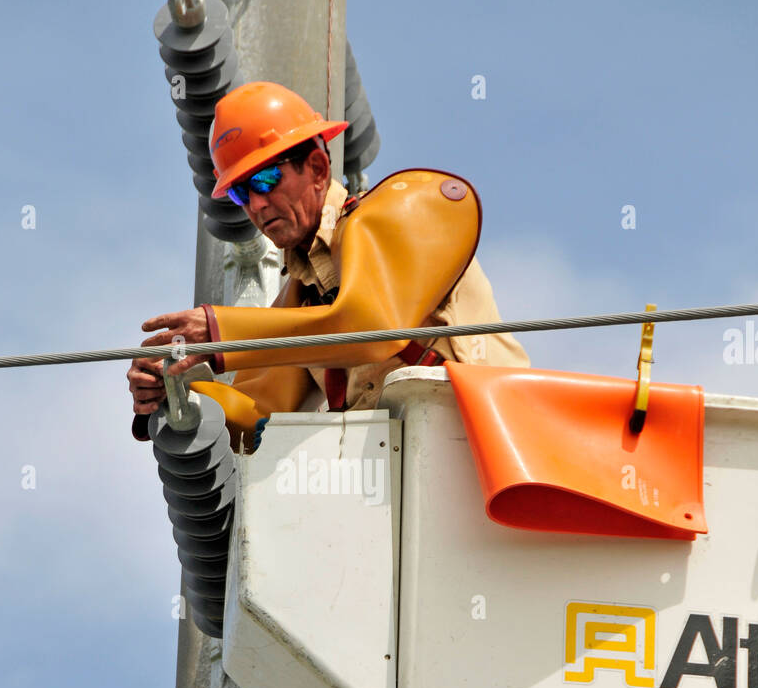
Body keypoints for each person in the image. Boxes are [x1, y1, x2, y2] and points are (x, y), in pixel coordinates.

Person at [128, 82, 528, 445]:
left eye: (266, 180)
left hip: (490, 445)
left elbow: (370, 327)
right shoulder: (302, 305)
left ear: (318, 169)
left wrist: (219, 330)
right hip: (399, 480)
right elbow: (256, 412)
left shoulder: (404, 213)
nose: (256, 204)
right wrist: (178, 387)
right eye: (240, 195)